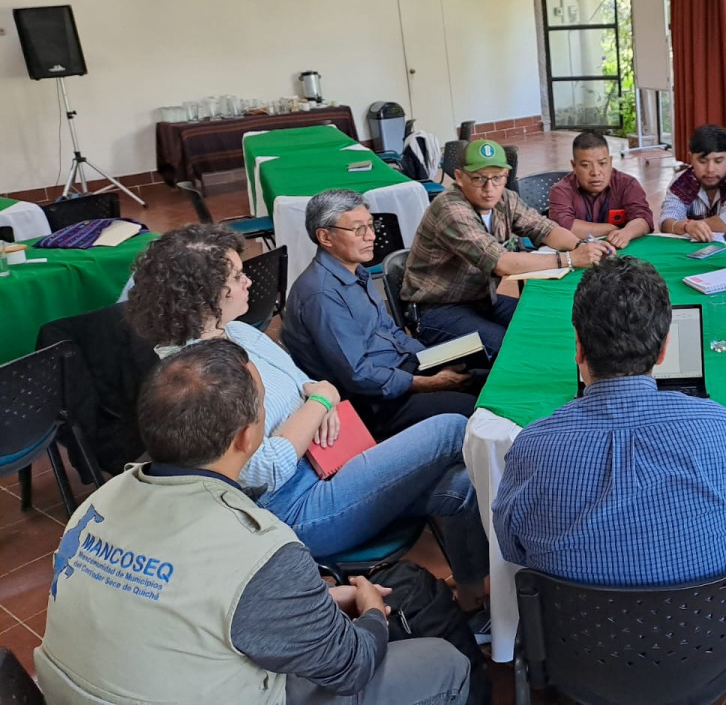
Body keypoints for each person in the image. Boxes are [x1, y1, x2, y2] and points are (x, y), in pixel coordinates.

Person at [35, 340, 472, 705]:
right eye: (265, 408)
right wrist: (372, 609)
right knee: (444, 663)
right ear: (248, 437)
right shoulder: (259, 546)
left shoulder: (98, 502)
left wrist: (309, 603)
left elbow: (187, 603)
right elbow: (351, 665)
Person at [129, 224, 489, 618]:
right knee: (451, 427)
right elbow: (263, 468)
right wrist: (320, 402)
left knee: (461, 485)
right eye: (236, 276)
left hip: (330, 464)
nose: (248, 280)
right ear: (204, 296)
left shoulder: (240, 334)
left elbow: (307, 383)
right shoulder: (193, 376)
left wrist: (318, 400)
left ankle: (474, 601)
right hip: (293, 510)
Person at [492, 256, 726, 586]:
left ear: (579, 348)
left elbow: (513, 549)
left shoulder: (532, 446)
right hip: (706, 631)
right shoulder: (720, 426)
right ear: (664, 350)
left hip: (575, 635)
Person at [280, 191, 480, 435]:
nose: (371, 236)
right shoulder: (322, 296)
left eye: (370, 225)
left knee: (489, 373)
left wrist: (432, 359)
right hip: (378, 405)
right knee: (477, 410)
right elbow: (359, 375)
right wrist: (430, 383)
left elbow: (391, 330)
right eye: (358, 230)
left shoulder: (357, 272)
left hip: (404, 370)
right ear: (325, 237)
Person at [400, 138, 611, 354]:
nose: (489, 188)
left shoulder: (506, 199)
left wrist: (583, 246)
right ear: (459, 178)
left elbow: (545, 229)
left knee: (548, 324)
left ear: (506, 176)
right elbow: (501, 263)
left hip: (482, 299)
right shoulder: (451, 209)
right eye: (478, 178)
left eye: (497, 177)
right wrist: (570, 259)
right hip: (436, 310)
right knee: (512, 347)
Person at [660, 124, 726, 271]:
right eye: (703, 161)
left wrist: (686, 227)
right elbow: (666, 222)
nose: (710, 169)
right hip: (699, 251)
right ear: (690, 157)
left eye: (719, 161)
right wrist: (686, 226)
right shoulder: (680, 182)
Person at [547, 130, 653, 249]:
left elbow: (644, 219)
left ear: (611, 161)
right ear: (574, 166)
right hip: (578, 251)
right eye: (586, 165)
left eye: (602, 163)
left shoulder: (627, 184)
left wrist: (627, 232)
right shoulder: (561, 190)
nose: (596, 173)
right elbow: (562, 226)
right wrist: (611, 229)